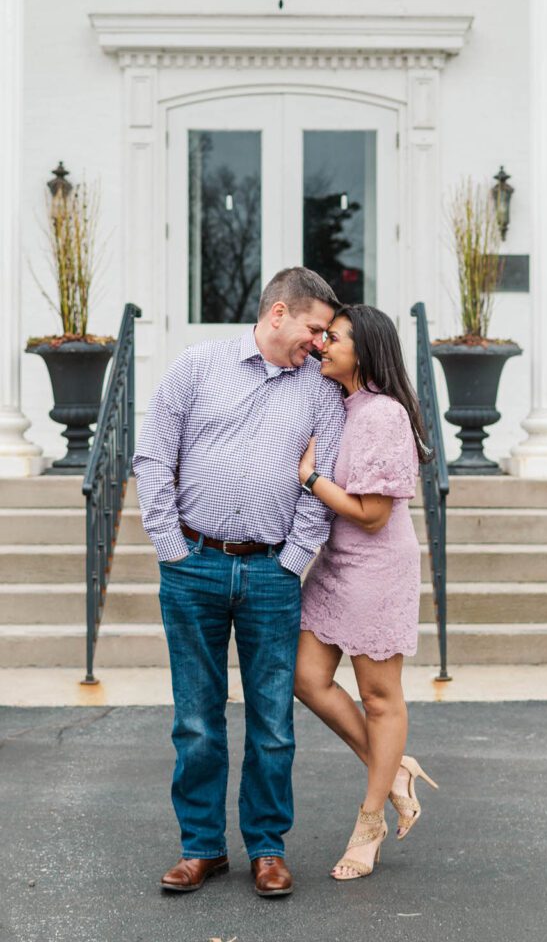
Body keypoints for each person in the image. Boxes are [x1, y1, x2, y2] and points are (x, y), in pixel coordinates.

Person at [132, 268, 345, 898]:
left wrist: (295, 557)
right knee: (197, 719)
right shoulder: (198, 365)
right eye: (315, 328)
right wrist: (170, 547)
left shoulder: (320, 390)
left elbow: (324, 474)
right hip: (193, 562)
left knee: (273, 722)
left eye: (327, 334)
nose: (321, 342)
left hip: (271, 571)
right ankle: (201, 848)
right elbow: (152, 455)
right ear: (278, 314)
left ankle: (267, 849)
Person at [294, 304, 439, 882]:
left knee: (380, 698)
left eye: (334, 338)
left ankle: (370, 822)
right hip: (336, 561)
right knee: (307, 678)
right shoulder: (342, 403)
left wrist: (310, 479)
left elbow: (374, 515)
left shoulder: (383, 415)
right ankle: (395, 767)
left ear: (366, 350)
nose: (323, 345)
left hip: (377, 565)